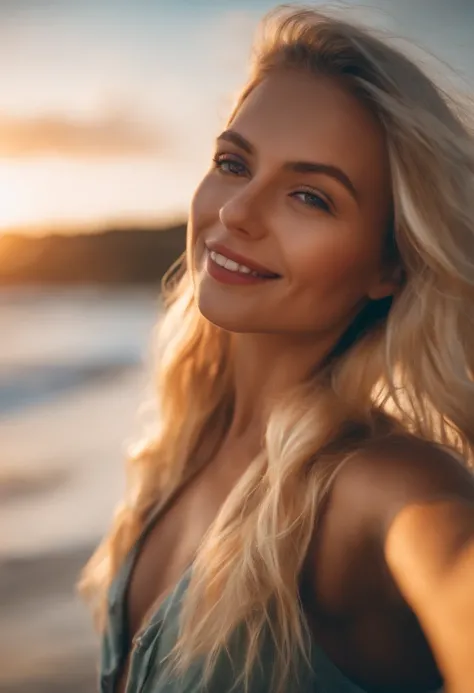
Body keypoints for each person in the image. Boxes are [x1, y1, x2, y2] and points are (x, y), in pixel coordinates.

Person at [80, 5, 474, 693]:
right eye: (233, 163)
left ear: (390, 264)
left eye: (309, 196)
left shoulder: (379, 483)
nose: (236, 211)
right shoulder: (182, 445)